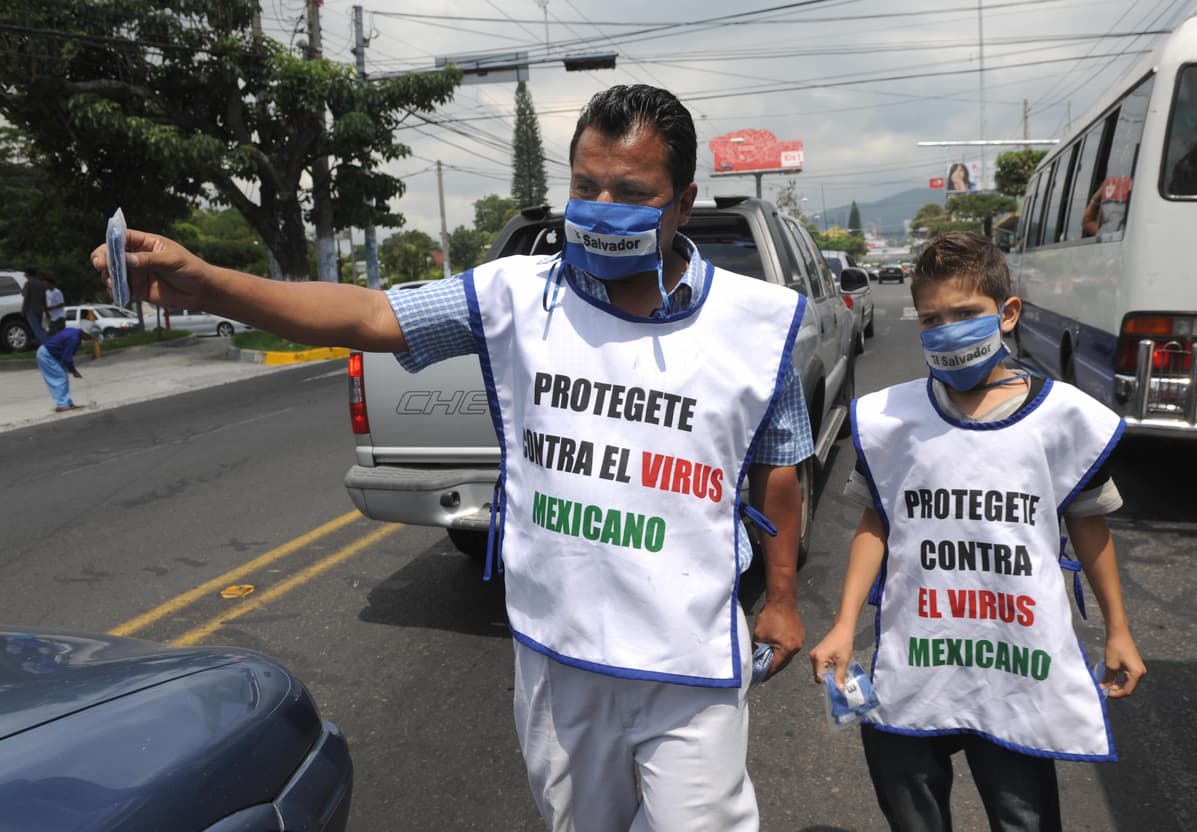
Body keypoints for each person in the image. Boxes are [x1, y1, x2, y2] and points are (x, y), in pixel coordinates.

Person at [92, 84, 808, 831]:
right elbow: (369, 314)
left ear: (683, 203)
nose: (601, 205)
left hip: (689, 661)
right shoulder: (515, 295)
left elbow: (780, 464)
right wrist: (205, 280)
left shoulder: (754, 325)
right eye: (585, 186)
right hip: (557, 655)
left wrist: (782, 599)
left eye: (631, 192)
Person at [809, 231, 1145, 832]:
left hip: (1014, 663)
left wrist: (1118, 630)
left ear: (1007, 313)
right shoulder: (892, 421)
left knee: (1023, 813)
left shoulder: (1062, 419)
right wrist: (841, 625)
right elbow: (874, 522)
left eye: (966, 315)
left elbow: (1089, 525)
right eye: (932, 319)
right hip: (916, 655)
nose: (947, 331)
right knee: (910, 805)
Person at [36, 324, 92, 413]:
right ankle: (62, 405)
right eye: (90, 337)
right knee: (61, 378)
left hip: (48, 353)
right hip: (47, 355)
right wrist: (73, 371)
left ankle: (67, 403)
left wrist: (71, 369)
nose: (90, 339)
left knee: (62, 376)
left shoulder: (73, 331)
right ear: (86, 333)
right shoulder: (75, 338)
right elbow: (67, 358)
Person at [20, 269, 48, 345]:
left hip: (31, 309)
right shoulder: (41, 284)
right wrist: (46, 310)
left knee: (37, 329)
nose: (25, 275)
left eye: (25, 274)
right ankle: (39, 342)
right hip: (40, 309)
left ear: (28, 274)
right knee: (38, 327)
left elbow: (26, 297)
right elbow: (44, 297)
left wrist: (23, 309)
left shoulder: (28, 283)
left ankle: (47, 344)